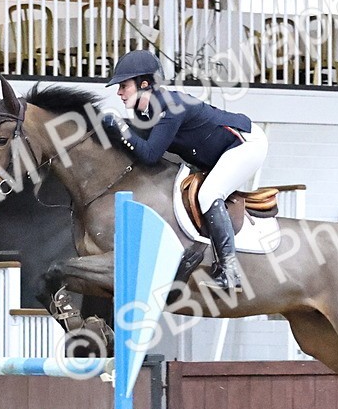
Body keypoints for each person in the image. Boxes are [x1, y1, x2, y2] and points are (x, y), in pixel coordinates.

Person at [100, 50, 266, 292]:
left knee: (208, 194)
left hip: (245, 144)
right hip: (217, 153)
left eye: (124, 85)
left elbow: (150, 154)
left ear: (144, 84)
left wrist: (121, 130)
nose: (119, 92)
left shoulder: (170, 106)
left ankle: (230, 271)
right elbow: (142, 144)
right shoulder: (144, 111)